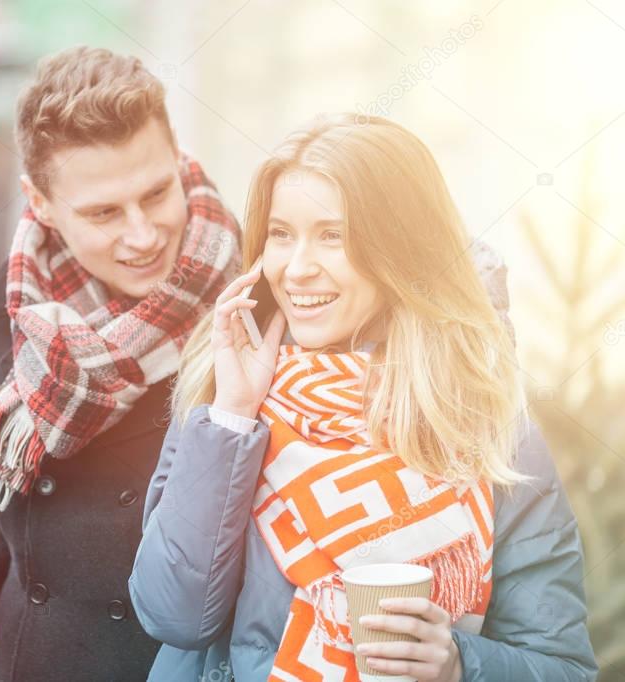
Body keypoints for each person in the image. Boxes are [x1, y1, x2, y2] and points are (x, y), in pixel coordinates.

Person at [129, 114, 597, 681]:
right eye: (281, 234)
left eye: (334, 236)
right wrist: (232, 415)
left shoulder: (487, 421)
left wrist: (457, 665)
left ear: (400, 249)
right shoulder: (220, 389)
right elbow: (172, 616)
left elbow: (564, 667)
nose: (297, 270)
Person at [0, 46, 242, 680]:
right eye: (103, 212)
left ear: (179, 158)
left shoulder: (251, 303)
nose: (142, 234)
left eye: (157, 193)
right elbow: (14, 535)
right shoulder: (10, 314)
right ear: (40, 203)